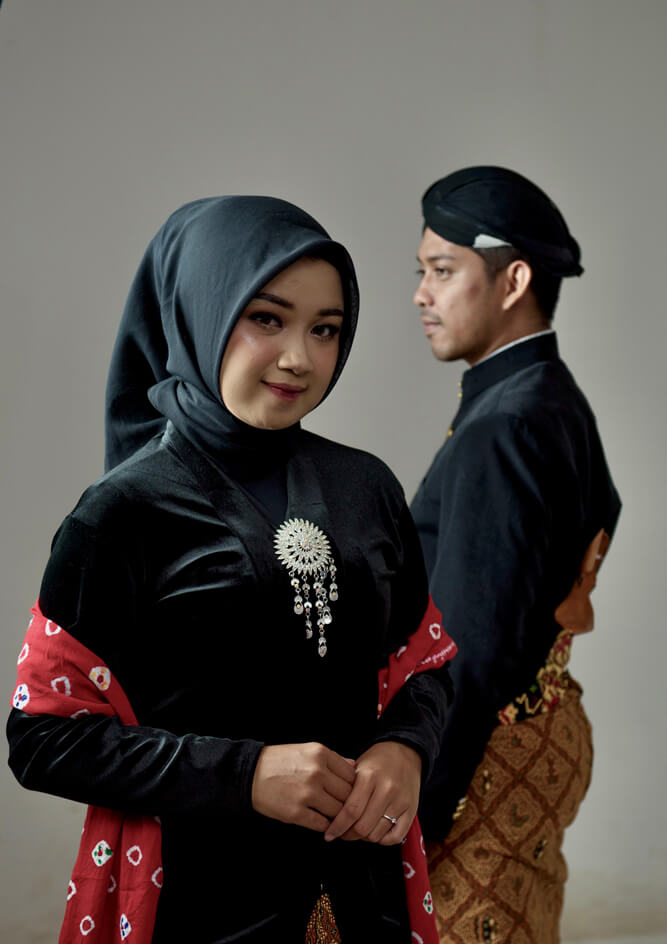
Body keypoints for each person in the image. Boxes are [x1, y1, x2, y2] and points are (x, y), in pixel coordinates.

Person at [7, 196, 455, 943]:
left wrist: (405, 748)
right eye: (267, 319)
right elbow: (43, 736)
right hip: (203, 904)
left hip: (364, 895)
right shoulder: (121, 513)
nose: (298, 358)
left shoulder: (367, 488)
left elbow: (424, 665)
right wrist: (244, 776)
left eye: (325, 329)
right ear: (201, 313)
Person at [410, 167, 621, 943]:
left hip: (483, 757)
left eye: (442, 271)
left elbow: (469, 652)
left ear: (514, 280)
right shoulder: (550, 396)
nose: (420, 295)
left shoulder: (503, 424)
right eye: (421, 272)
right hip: (540, 728)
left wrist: (415, 813)